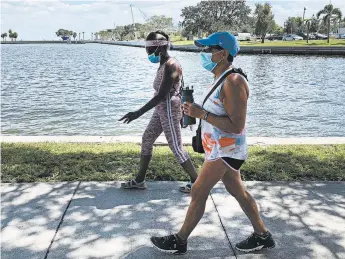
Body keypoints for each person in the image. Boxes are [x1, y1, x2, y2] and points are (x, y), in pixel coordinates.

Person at [150, 32, 275, 254]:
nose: (205, 54)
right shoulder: (221, 78)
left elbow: (237, 125)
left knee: (198, 189)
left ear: (223, 53)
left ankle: (180, 241)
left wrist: (203, 115)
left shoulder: (234, 81)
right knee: (238, 191)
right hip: (219, 148)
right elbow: (216, 111)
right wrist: (195, 111)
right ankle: (263, 236)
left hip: (226, 149)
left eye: (209, 50)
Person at [119, 30, 198, 193]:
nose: (147, 52)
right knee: (147, 138)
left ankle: (197, 183)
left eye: (149, 48)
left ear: (159, 48)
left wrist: (137, 113)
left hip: (168, 108)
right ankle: (139, 181)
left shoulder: (171, 65)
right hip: (162, 108)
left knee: (176, 146)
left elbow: (162, 95)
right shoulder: (163, 63)